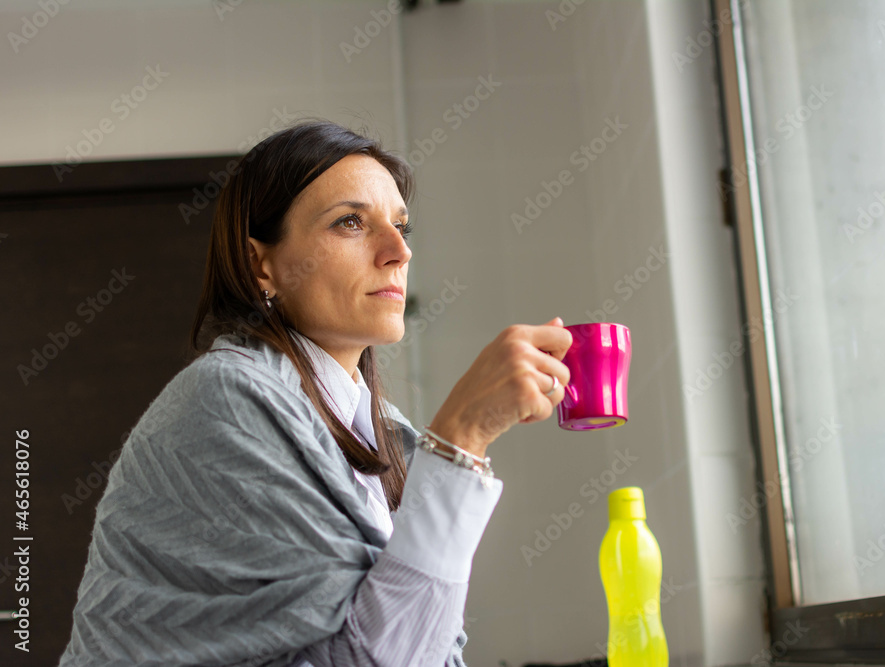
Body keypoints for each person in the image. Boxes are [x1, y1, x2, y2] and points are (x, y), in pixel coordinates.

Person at [57, 119, 573, 667]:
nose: (399, 251)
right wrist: (462, 435)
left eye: (402, 226)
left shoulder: (385, 435)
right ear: (262, 265)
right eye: (351, 222)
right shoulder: (227, 397)